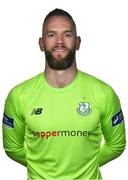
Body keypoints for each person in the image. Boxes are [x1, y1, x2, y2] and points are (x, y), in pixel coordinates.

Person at [2, 8, 126, 180]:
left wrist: (85, 164)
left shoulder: (104, 93)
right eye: (51, 34)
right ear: (41, 43)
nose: (59, 41)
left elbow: (117, 145)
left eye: (67, 35)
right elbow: (12, 148)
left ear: (78, 42)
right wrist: (41, 166)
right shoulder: (18, 96)